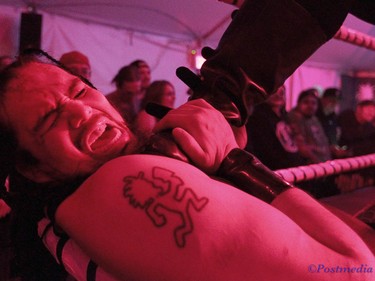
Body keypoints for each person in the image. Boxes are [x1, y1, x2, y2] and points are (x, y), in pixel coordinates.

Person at [0, 49, 374, 281]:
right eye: (50, 119)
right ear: (32, 168)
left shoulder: (65, 211)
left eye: (79, 90)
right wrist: (234, 160)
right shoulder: (116, 183)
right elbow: (355, 271)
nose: (80, 111)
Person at [245, 85, 306, 170]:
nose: (278, 95)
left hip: (295, 167)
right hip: (279, 171)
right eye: (274, 92)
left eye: (281, 92)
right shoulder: (259, 117)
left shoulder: (284, 116)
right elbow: (267, 151)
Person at [288, 88, 332, 164]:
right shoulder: (295, 118)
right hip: (311, 167)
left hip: (325, 164)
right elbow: (303, 149)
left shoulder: (314, 119)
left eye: (313, 103)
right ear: (298, 103)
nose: (310, 106)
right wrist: (320, 165)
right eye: (306, 102)